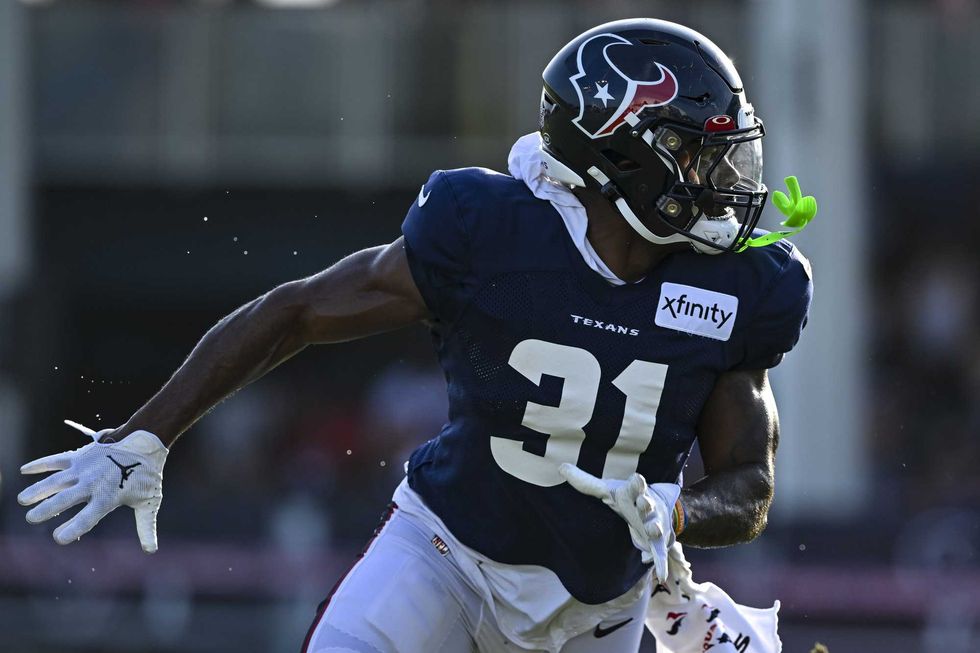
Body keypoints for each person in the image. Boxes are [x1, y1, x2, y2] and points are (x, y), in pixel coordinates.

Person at [17, 18, 815, 653]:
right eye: (691, 153)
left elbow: (749, 481)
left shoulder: (741, 285)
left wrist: (677, 511)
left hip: (600, 611)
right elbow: (297, 310)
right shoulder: (493, 233)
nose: (721, 181)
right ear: (619, 158)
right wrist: (146, 436)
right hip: (444, 559)